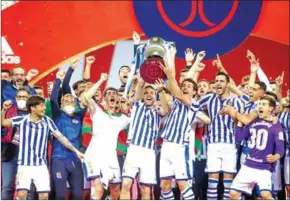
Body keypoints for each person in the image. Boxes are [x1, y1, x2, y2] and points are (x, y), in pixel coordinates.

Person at [1, 96, 84, 200]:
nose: (44, 108)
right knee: (22, 194)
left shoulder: (47, 121)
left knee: (44, 196)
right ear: (33, 108)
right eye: (41, 106)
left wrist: (76, 151)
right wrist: (4, 110)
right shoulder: (21, 120)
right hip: (24, 165)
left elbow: (61, 138)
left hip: (41, 166)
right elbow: (3, 122)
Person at [81, 74, 130, 200]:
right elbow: (86, 97)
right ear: (104, 99)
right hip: (94, 156)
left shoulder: (123, 119)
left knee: (115, 191)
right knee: (98, 189)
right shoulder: (97, 112)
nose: (112, 95)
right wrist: (100, 80)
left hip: (111, 157)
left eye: (115, 93)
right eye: (109, 94)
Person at [120, 78, 168, 200]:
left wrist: (161, 90)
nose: (148, 95)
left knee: (146, 189)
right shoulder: (137, 105)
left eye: (151, 93)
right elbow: (140, 88)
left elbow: (165, 110)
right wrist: (143, 77)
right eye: (146, 93)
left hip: (149, 152)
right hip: (134, 149)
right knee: (126, 184)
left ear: (155, 96)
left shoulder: (158, 110)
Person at [229, 96, 285, 200]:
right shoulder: (253, 122)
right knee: (233, 194)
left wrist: (276, 156)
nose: (260, 106)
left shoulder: (276, 124)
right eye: (259, 104)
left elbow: (280, 146)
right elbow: (239, 137)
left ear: (271, 108)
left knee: (265, 195)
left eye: (264, 104)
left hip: (264, 167)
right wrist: (240, 122)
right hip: (248, 165)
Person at [158, 61, 199, 200]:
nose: (186, 87)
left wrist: (170, 76)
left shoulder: (194, 104)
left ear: (194, 92)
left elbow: (179, 94)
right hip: (166, 145)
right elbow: (172, 95)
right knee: (164, 185)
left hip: (179, 147)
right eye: (184, 85)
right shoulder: (175, 102)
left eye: (189, 86)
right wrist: (161, 90)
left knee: (182, 184)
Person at [199, 71, 243, 200]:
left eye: (221, 81)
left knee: (228, 185)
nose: (218, 83)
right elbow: (193, 106)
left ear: (227, 84)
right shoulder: (209, 98)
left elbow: (242, 120)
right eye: (216, 80)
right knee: (212, 184)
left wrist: (232, 113)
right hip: (213, 144)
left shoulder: (236, 101)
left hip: (230, 144)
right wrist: (204, 117)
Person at [50, 72, 87, 199]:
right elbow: (53, 98)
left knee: (78, 194)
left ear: (75, 104)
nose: (69, 102)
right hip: (59, 159)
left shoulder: (79, 116)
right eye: (66, 101)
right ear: (61, 104)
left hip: (75, 159)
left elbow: (86, 99)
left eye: (71, 101)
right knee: (60, 195)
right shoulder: (58, 114)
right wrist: (58, 80)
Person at [1, 87, 30, 200]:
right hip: (10, 153)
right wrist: (3, 110)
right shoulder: (9, 110)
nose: (22, 99)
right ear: (15, 98)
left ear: (29, 98)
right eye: (19, 97)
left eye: (24, 97)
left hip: (28, 156)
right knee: (7, 186)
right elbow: (1, 124)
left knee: (27, 188)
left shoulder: (33, 112)